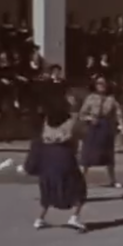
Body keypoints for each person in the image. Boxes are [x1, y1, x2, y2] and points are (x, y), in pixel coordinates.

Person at [23, 97, 87, 232]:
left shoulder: (46, 121)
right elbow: (79, 137)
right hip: (64, 155)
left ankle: (40, 219)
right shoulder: (72, 122)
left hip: (47, 156)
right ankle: (74, 217)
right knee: (79, 187)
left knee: (48, 188)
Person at [79, 76, 123, 187]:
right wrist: (90, 119)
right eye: (99, 83)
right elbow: (82, 114)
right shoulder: (90, 98)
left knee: (109, 155)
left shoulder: (111, 99)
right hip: (93, 128)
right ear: (95, 85)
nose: (102, 86)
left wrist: (122, 126)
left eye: (104, 83)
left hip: (106, 127)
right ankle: (81, 181)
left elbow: (118, 114)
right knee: (87, 155)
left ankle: (112, 180)